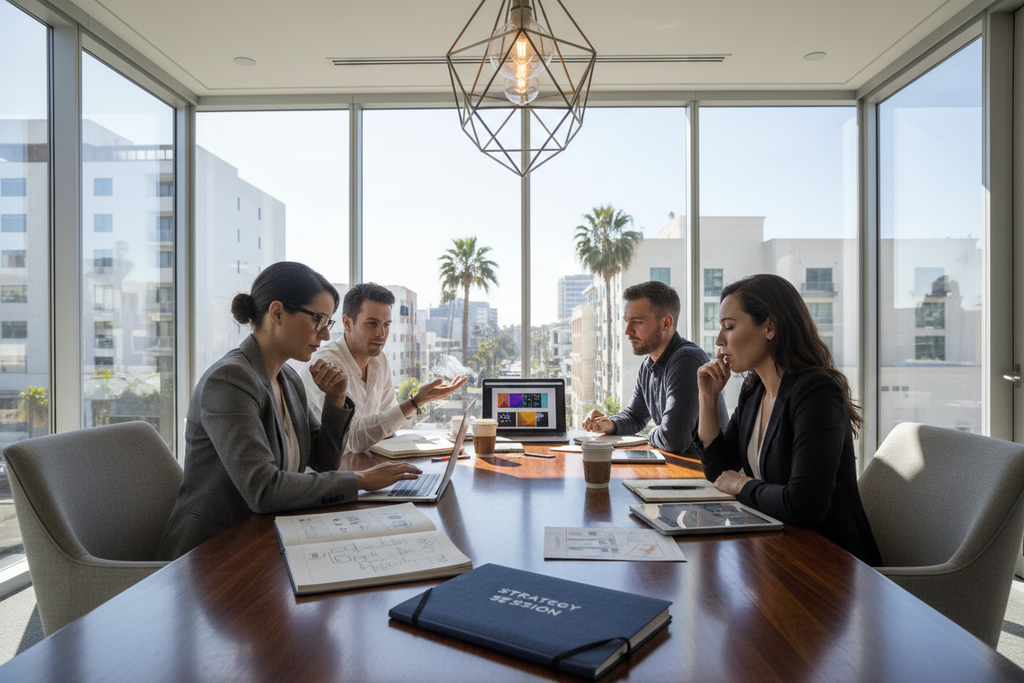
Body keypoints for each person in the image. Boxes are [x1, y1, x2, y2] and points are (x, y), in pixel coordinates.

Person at [157, 263, 421, 560]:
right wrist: (361, 480)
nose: (323, 335)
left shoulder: (288, 378)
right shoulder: (230, 380)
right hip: (211, 555)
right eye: (318, 319)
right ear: (277, 313)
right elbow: (264, 489)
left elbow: (324, 462)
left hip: (263, 540)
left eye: (328, 323)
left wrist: (336, 400)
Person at [694, 273, 882, 566]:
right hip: (779, 549)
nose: (720, 341)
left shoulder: (816, 391)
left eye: (729, 327)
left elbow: (804, 505)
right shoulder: (754, 389)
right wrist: (708, 399)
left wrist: (741, 485)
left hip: (831, 563)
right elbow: (719, 470)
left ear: (769, 327)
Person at [300, 282, 466, 456]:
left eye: (386, 324)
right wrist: (413, 403)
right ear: (347, 323)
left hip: (364, 467)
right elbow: (354, 440)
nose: (381, 333)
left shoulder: (379, 359)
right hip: (331, 475)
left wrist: (419, 403)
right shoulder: (325, 365)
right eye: (372, 323)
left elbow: (393, 423)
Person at [581, 280, 724, 455]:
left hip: (704, 477)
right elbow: (635, 415)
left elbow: (673, 440)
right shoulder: (648, 365)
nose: (627, 331)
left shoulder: (687, 360)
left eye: (637, 322)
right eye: (627, 321)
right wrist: (611, 424)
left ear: (666, 323)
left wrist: (650, 433)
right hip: (678, 471)